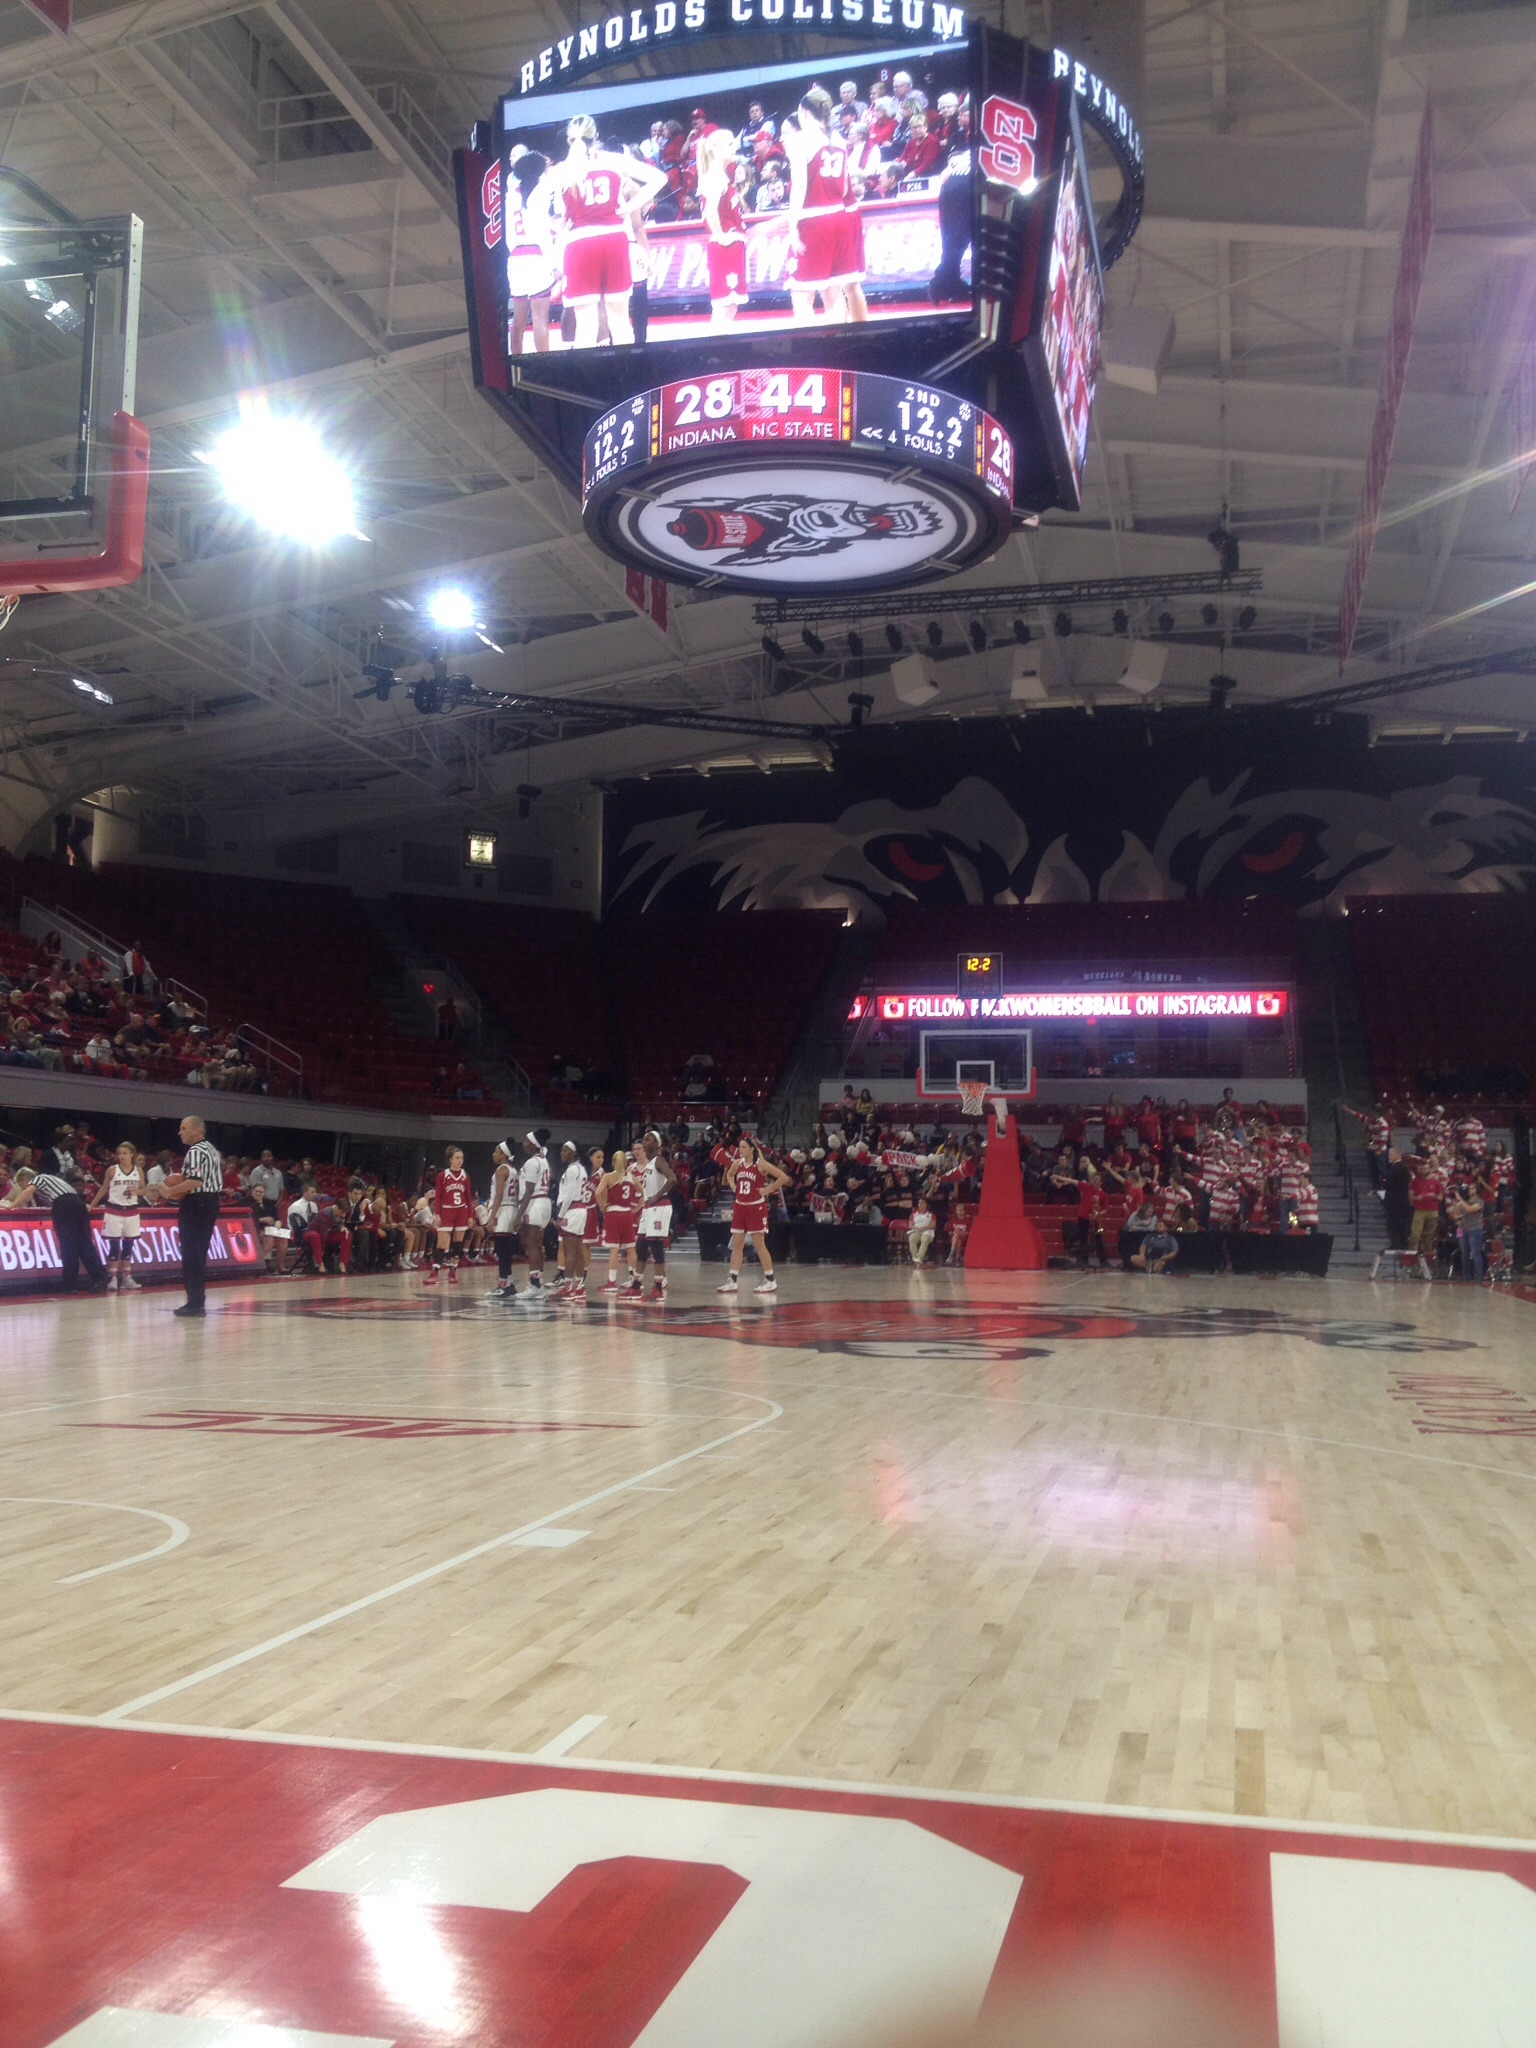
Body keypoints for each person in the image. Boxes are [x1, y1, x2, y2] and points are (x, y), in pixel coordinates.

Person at [536, 115, 666, 348]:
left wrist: (556, 225)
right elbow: (659, 178)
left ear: (569, 140)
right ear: (596, 136)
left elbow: (533, 205)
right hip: (614, 240)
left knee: (585, 327)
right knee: (620, 322)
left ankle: (587, 372)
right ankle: (628, 368)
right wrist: (630, 207)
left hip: (580, 244)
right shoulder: (613, 160)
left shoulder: (562, 169)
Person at [783, 86, 867, 325]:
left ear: (804, 111)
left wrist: (792, 229)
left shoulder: (800, 140)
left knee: (801, 295)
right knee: (833, 292)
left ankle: (807, 346)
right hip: (839, 218)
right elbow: (844, 187)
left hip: (814, 219)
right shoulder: (838, 139)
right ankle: (841, 343)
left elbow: (799, 187)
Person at [3, 1165, 108, 1293]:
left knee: (68, 1245)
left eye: (21, 1184)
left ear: (26, 1179)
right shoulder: (55, 1181)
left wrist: (12, 1206)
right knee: (85, 1243)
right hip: (79, 1204)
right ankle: (100, 1276)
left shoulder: (39, 1178)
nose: (22, 1188)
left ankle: (70, 1284)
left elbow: (28, 1191)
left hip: (64, 1206)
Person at [160, 1114, 223, 1317]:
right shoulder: (211, 1149)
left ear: (197, 1130)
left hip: (197, 1202)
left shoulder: (195, 1151)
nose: (180, 1132)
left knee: (191, 1254)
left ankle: (195, 1303)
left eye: (184, 1128)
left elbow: (195, 1181)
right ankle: (197, 1300)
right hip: (211, 1201)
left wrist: (170, 1191)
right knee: (199, 1253)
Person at [715, 1134, 791, 1296]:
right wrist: (734, 1186)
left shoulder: (761, 1164)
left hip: (756, 1207)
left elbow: (783, 1177)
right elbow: (729, 1175)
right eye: (740, 1147)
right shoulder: (738, 1163)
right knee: (737, 1245)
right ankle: (732, 1280)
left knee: (759, 1244)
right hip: (740, 1207)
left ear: (751, 1149)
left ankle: (770, 1280)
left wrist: (768, 1189)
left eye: (743, 1147)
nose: (740, 1150)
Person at [697, 128, 747, 327]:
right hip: (726, 246)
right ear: (717, 150)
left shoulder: (721, 175)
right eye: (730, 144)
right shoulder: (715, 176)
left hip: (733, 245)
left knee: (731, 305)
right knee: (723, 306)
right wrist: (721, 237)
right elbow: (710, 212)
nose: (735, 147)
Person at [92, 1139, 146, 1292]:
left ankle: (127, 1277)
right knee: (114, 1245)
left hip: (132, 1211)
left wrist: (137, 1191)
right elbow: (104, 1188)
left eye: (125, 1153)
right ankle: (113, 1278)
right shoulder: (112, 1170)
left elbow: (143, 1190)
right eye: (120, 1153)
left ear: (132, 1154)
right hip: (114, 1211)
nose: (121, 1156)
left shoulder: (138, 1171)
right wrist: (92, 1205)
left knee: (129, 1245)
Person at [634, 1131, 678, 1302]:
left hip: (660, 1206)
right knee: (641, 1246)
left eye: (648, 1140)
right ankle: (636, 1285)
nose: (644, 1142)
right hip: (649, 1208)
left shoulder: (659, 1160)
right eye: (643, 1140)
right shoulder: (650, 1162)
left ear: (657, 1144)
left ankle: (658, 1287)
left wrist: (657, 1195)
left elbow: (672, 1179)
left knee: (656, 1246)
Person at [424, 1144, 473, 1286]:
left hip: (461, 1211)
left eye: (461, 1158)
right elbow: (438, 1197)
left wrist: (470, 1215)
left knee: (457, 1243)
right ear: (450, 1159)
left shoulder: (465, 1176)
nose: (460, 1160)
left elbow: (468, 1197)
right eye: (457, 1158)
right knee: (442, 1243)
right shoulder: (443, 1175)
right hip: (447, 1211)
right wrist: (437, 1214)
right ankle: (435, 1272)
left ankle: (453, 1271)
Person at [515, 1129, 553, 1302]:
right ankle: (539, 1284)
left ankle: (535, 1285)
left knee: (532, 1245)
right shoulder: (544, 1160)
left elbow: (529, 1190)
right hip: (544, 1201)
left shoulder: (532, 1162)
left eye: (526, 1141)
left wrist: (519, 1215)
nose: (524, 1143)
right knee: (536, 1245)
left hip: (535, 1202)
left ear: (534, 1144)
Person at [597, 1146, 641, 1294]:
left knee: (614, 1249)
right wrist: (636, 1208)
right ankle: (636, 1281)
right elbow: (643, 1194)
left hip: (613, 1214)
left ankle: (611, 1282)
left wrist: (602, 1207)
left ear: (613, 1162)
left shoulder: (608, 1177)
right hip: (627, 1214)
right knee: (631, 1248)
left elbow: (597, 1193)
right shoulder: (631, 1177)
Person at [552, 1142, 589, 1300]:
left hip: (572, 1210)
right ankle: (579, 1286)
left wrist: (560, 1216)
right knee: (579, 1250)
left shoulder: (572, 1169)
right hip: (581, 1209)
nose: (562, 1153)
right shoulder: (582, 1168)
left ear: (573, 1153)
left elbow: (568, 1195)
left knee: (569, 1252)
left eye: (565, 1150)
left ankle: (568, 1287)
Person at [487, 1142, 520, 1299]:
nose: (493, 1154)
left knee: (501, 1251)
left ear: (504, 1155)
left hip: (503, 1210)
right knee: (505, 1251)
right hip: (512, 1209)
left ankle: (503, 1285)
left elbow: (499, 1195)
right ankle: (509, 1283)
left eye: (496, 1151)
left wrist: (492, 1216)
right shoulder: (514, 1170)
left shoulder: (501, 1170)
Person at [908, 1193, 937, 1265]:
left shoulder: (931, 1214)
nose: (920, 1204)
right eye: (919, 1203)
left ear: (926, 1205)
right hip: (916, 1230)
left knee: (925, 1240)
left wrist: (924, 1228)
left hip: (927, 1231)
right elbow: (911, 1224)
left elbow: (933, 1225)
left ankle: (919, 1257)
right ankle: (915, 1258)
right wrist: (915, 1228)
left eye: (922, 1203)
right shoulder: (914, 1214)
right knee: (912, 1239)